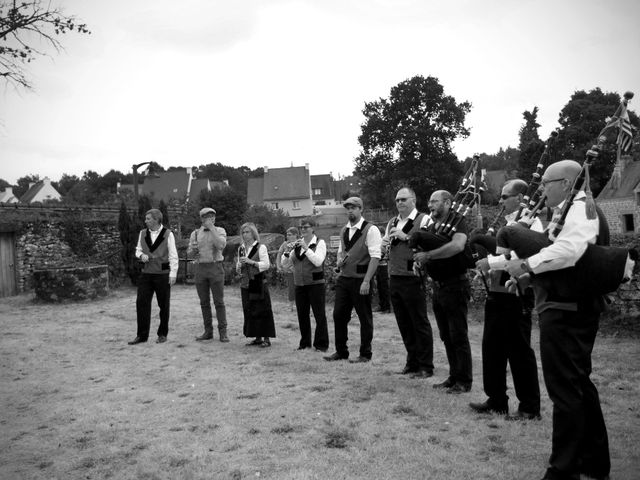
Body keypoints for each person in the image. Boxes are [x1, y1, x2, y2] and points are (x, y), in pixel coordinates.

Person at [503, 160, 611, 480]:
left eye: (546, 183)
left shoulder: (580, 209)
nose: (542, 190)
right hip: (570, 307)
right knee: (578, 386)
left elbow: (567, 253)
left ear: (565, 184)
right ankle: (594, 462)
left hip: (567, 310)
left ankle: (564, 469)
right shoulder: (573, 211)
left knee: (565, 391)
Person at [470, 179, 541, 418]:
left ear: (520, 198)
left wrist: (489, 261)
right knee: (492, 349)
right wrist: (488, 268)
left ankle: (529, 407)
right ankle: (496, 399)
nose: (500, 201)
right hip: (497, 293)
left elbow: (524, 254)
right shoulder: (509, 223)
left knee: (519, 352)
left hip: (517, 295)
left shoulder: (533, 223)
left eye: (504, 196)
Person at [413, 190, 472, 394]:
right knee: (446, 335)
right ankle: (454, 376)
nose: (430, 205)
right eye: (429, 201)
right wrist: (420, 262)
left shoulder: (458, 222)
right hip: (439, 287)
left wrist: (428, 255)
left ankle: (464, 381)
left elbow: (457, 246)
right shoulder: (432, 226)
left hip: (455, 285)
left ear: (447, 203)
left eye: (434, 201)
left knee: (458, 335)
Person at [383, 187, 434, 378]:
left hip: (413, 277)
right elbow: (387, 243)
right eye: (397, 200)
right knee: (404, 323)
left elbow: (431, 243)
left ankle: (426, 365)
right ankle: (412, 361)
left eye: (403, 199)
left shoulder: (425, 219)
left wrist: (406, 237)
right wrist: (384, 245)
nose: (399, 203)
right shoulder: (392, 222)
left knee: (419, 322)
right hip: (394, 276)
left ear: (413, 200)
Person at [324, 197, 381, 363]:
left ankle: (365, 353)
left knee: (364, 317)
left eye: (353, 208)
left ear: (360, 209)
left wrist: (367, 280)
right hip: (345, 278)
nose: (350, 211)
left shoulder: (371, 229)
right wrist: (339, 261)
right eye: (348, 208)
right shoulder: (344, 230)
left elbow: (375, 257)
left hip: (361, 279)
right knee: (339, 315)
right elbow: (341, 251)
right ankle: (341, 351)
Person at [128, 208, 178, 345]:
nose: (145, 221)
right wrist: (141, 255)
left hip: (162, 275)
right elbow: (138, 250)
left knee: (164, 305)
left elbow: (173, 255)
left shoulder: (168, 234)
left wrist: (173, 274)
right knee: (141, 304)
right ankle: (142, 336)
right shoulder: (142, 233)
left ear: (156, 220)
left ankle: (162, 334)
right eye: (146, 218)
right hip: (146, 274)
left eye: (148, 219)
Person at [281, 218, 329, 352]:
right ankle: (305, 343)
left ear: (313, 228)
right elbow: (286, 264)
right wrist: (287, 251)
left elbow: (318, 261)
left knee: (319, 315)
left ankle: (321, 344)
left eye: (306, 227)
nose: (303, 230)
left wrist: (306, 248)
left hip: (315, 284)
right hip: (300, 285)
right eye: (301, 227)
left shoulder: (320, 243)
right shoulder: (297, 245)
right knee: (302, 315)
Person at [188, 207, 228, 342]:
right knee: (204, 302)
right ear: (202, 219)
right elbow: (189, 253)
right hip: (200, 268)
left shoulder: (220, 230)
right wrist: (192, 251)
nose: (211, 219)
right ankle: (208, 331)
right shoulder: (195, 233)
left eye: (213, 216)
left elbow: (221, 245)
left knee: (219, 302)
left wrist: (212, 229)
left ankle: (223, 332)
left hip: (215, 266)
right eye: (207, 216)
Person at [236, 222, 276, 348]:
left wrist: (251, 262)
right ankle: (257, 337)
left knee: (262, 310)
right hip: (246, 283)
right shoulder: (241, 248)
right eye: (243, 232)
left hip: (258, 282)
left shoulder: (261, 247)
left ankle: (266, 338)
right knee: (249, 310)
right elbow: (240, 264)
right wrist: (238, 267)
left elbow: (266, 265)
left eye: (247, 232)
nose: (245, 234)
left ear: (253, 233)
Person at [276, 227, 298, 312]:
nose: (287, 236)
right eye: (287, 235)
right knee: (291, 288)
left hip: (298, 270)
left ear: (295, 235)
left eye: (289, 235)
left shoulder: (300, 243)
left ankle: (300, 304)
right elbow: (279, 254)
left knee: (300, 288)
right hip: (289, 271)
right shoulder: (285, 244)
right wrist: (278, 265)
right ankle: (291, 306)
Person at [374, 225, 391, 314]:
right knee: (380, 287)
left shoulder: (382, 242)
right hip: (378, 266)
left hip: (383, 266)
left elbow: (383, 254)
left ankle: (386, 307)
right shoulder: (378, 242)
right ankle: (381, 305)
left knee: (384, 287)